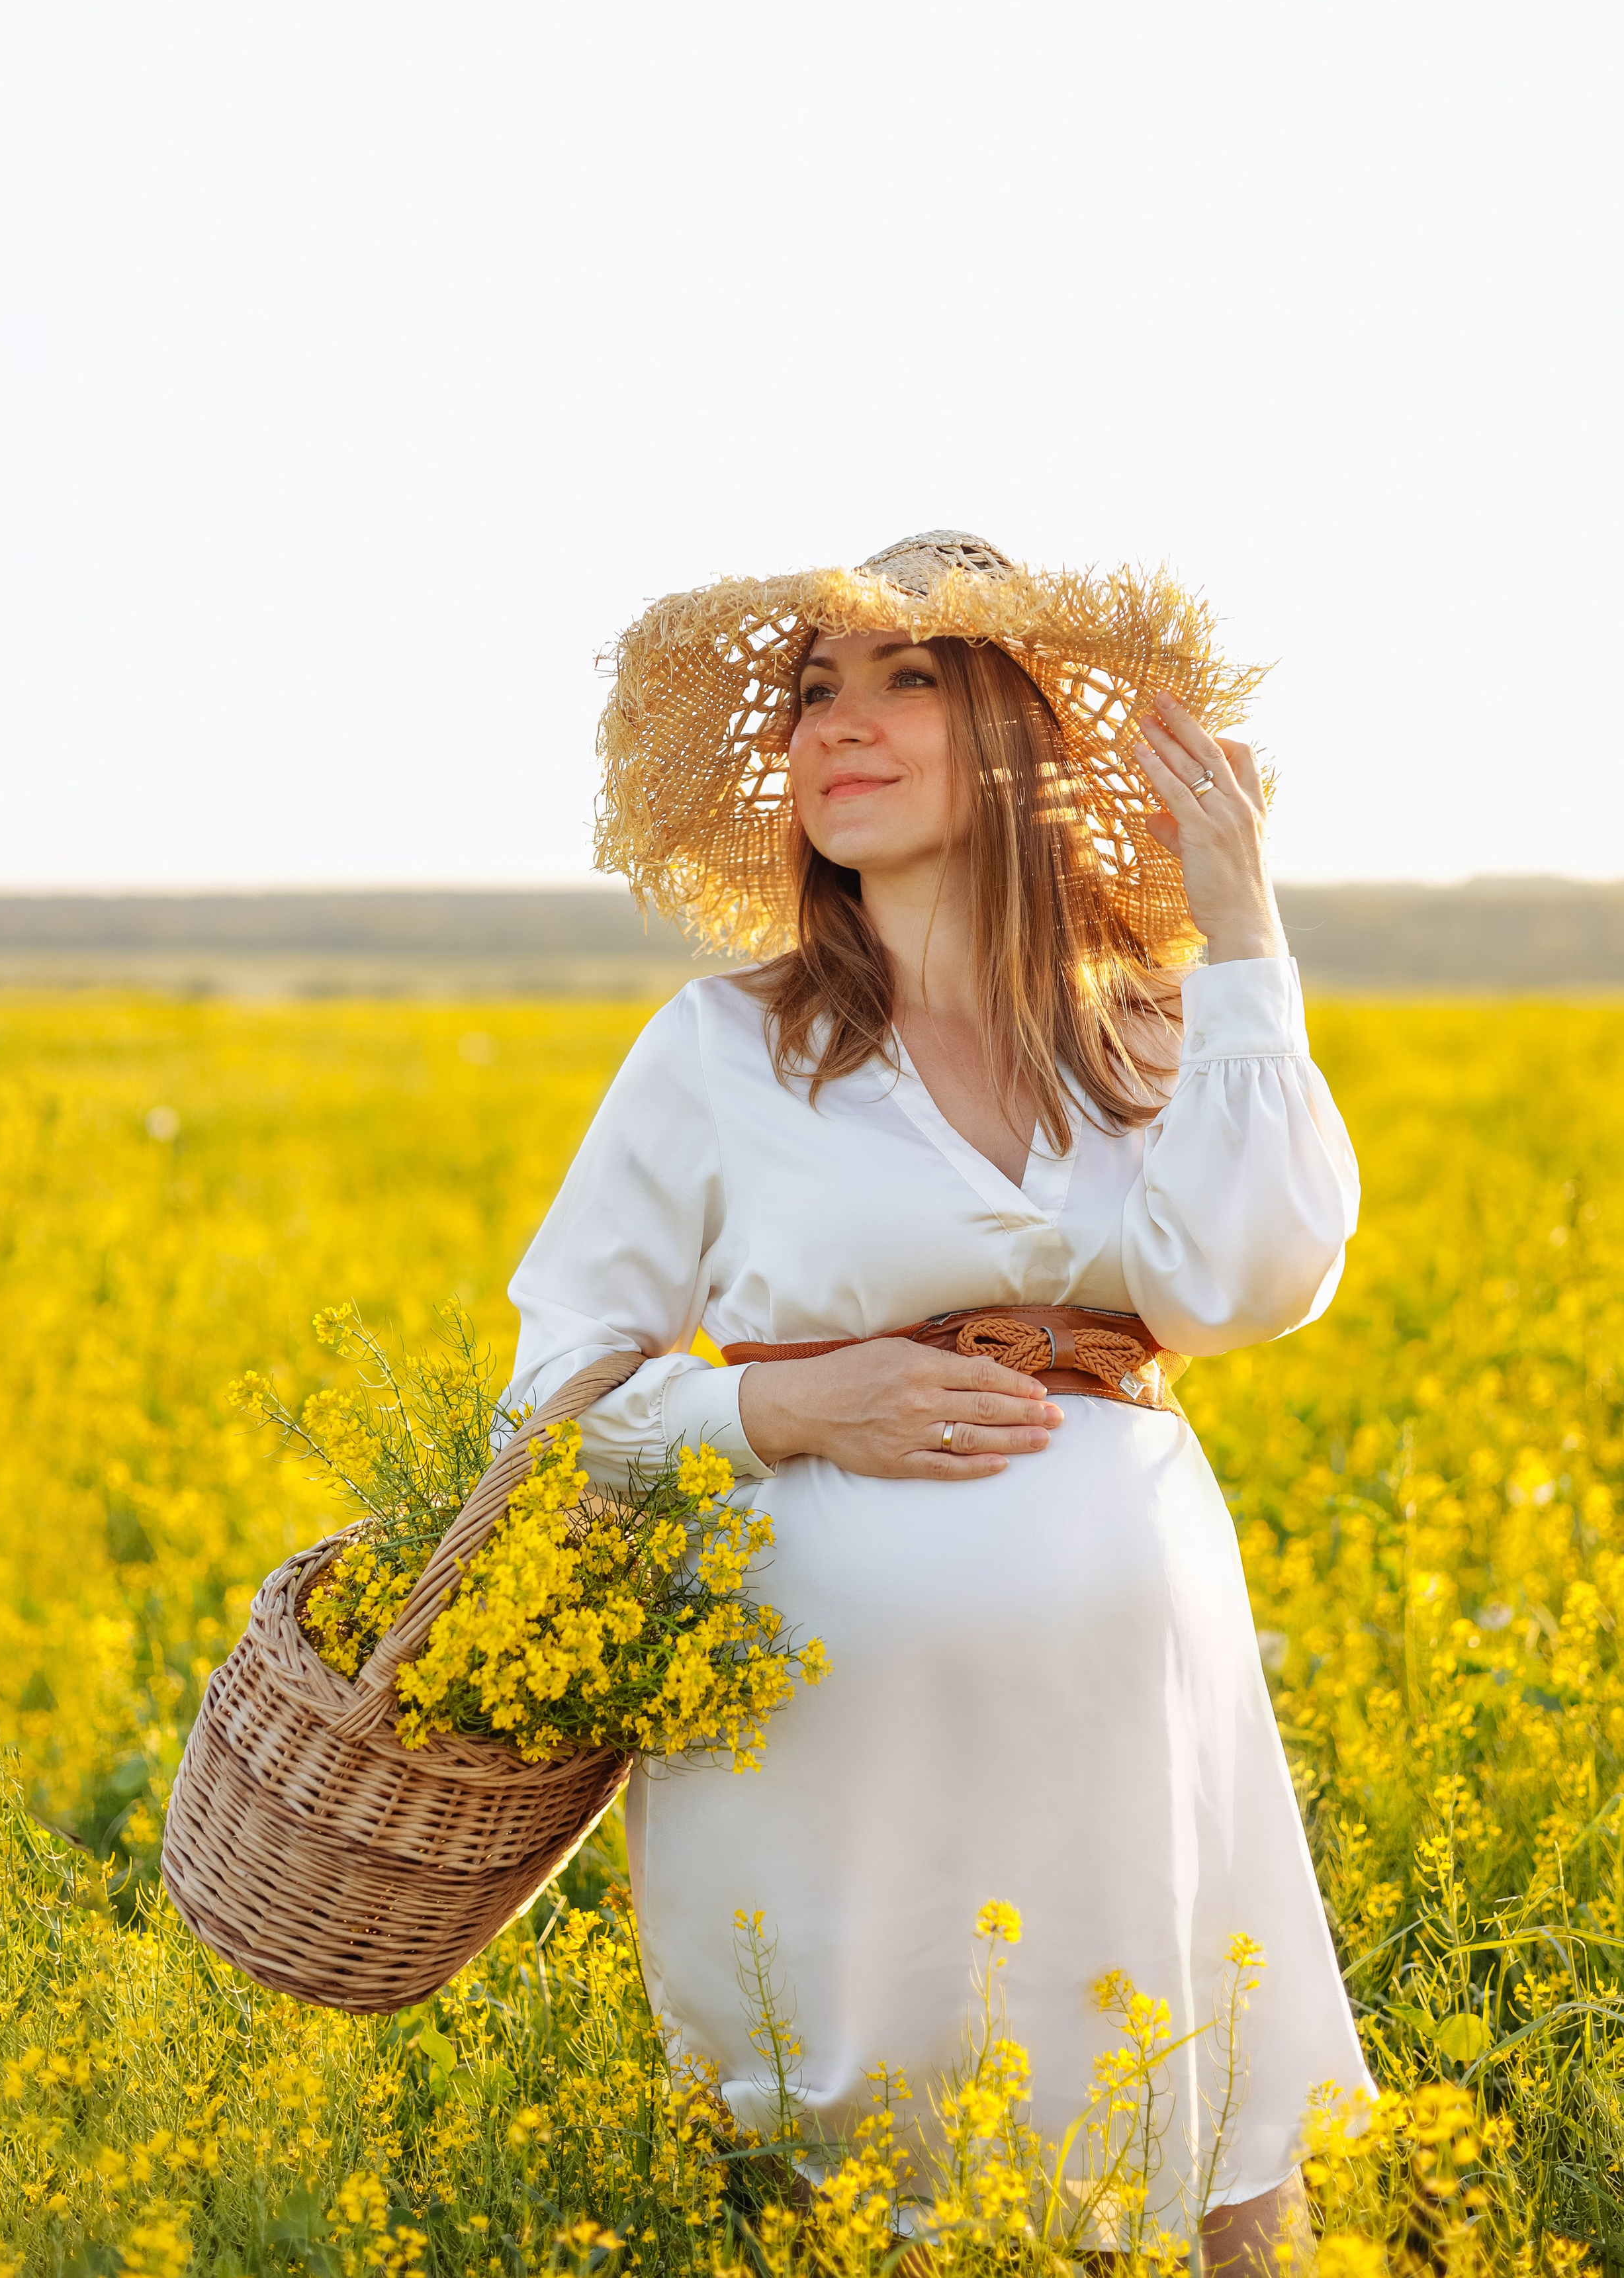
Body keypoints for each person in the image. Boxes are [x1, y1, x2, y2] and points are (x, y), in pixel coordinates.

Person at [508, 532, 1373, 2268]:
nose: (840, 722)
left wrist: (1244, 928)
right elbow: (554, 1394)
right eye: (814, 691)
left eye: (908, 680)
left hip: (1131, 1707)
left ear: (1025, 739)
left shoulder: (1149, 1034)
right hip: (832, 1744)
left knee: (1177, 2099)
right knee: (870, 2161)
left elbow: (1254, 1283)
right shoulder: (719, 1045)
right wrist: (787, 1415)